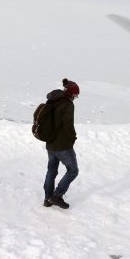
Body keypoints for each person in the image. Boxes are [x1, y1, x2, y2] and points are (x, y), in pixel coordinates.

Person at [43, 78, 80, 210]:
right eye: (76, 95)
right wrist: (72, 139)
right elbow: (68, 126)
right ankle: (57, 196)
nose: (76, 97)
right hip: (62, 145)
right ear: (72, 94)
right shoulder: (68, 104)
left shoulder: (52, 100)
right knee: (73, 171)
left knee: (51, 171)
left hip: (50, 143)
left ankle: (47, 198)